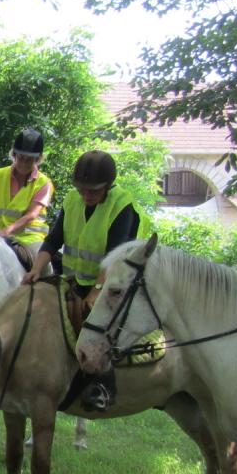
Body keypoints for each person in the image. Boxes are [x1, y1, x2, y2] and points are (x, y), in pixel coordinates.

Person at [23, 149, 152, 410]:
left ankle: (102, 384)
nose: (86, 195)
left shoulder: (122, 207)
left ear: (108, 185)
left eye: (93, 190)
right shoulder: (72, 200)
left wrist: (97, 291)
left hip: (116, 281)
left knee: (99, 329)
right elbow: (53, 239)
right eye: (82, 189)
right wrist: (36, 269)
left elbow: (113, 257)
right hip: (76, 280)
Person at [0, 128, 54, 271]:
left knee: (45, 269)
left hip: (29, 238)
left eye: (29, 160)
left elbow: (31, 215)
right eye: (21, 157)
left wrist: (7, 231)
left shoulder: (44, 183)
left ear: (38, 159)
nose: (24, 163)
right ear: (14, 155)